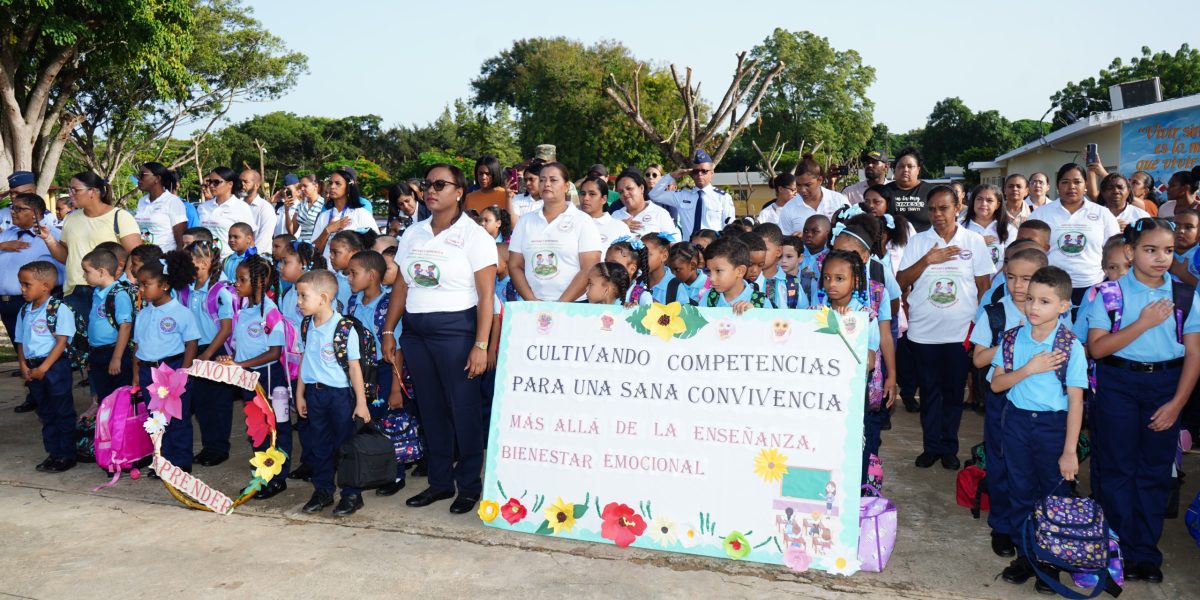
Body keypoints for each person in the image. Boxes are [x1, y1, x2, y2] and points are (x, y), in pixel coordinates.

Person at [1086, 217, 1200, 584]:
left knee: (1153, 472)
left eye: (1168, 250)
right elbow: (1098, 347)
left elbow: (1195, 355)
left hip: (1166, 384)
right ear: (1131, 252)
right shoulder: (1109, 293)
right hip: (1118, 382)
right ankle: (1115, 550)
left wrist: (1177, 404)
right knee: (1118, 469)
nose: (1160, 258)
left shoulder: (1185, 295)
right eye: (1150, 250)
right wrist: (1143, 323)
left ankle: (1145, 553)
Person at [381, 163, 496, 515]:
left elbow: (487, 296)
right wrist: (389, 330)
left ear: (459, 191)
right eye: (427, 184)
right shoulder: (414, 233)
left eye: (440, 184)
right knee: (430, 410)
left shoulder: (475, 236)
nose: (431, 190)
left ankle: (469, 487)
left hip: (457, 330)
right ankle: (440, 483)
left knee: (463, 411)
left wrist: (480, 345)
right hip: (417, 332)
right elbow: (402, 284)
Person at [990, 266, 1085, 592]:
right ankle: (1025, 556)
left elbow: (1076, 401)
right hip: (1016, 422)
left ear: (1063, 306)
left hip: (1053, 428)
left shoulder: (1070, 345)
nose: (1033, 307)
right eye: (1030, 299)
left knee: (1055, 496)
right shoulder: (1012, 338)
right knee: (1020, 492)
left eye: (1044, 301)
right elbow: (997, 385)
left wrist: (1070, 451)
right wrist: (1028, 369)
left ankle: (1051, 562)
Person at [897, 186, 994, 468]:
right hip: (923, 332)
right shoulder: (918, 242)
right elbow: (901, 282)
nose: (937, 214)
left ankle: (949, 447)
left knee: (953, 392)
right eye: (932, 209)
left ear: (958, 208)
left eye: (944, 208)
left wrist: (979, 328)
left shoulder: (973, 241)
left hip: (959, 331)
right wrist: (928, 260)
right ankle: (931, 446)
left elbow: (983, 287)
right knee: (929, 391)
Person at [968, 247, 1049, 558]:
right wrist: (1011, 339)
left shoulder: (1056, 313)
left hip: (1041, 401)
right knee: (1001, 463)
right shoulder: (995, 312)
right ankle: (1002, 527)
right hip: (1003, 399)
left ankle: (1035, 524)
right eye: (1011, 277)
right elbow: (978, 360)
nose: (1018, 286)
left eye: (1027, 279)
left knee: (1036, 465)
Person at [294, 269, 371, 515]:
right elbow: (305, 358)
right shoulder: (306, 324)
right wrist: (300, 393)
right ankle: (323, 490)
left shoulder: (344, 328)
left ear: (324, 298)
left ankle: (351, 494)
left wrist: (361, 403)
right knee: (320, 445)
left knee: (346, 446)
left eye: (303, 296)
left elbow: (354, 367)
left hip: (340, 397)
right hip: (315, 395)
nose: (298, 302)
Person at [221, 255, 290, 498]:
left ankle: (277, 479)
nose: (236, 284)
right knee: (257, 427)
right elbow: (243, 345)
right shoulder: (245, 309)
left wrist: (240, 364)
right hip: (247, 378)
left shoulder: (270, 312)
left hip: (269, 379)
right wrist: (232, 362)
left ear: (259, 283)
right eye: (236, 279)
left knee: (276, 429)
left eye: (242, 280)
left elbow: (274, 352)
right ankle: (261, 476)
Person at [345, 250, 407, 497]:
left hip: (383, 372)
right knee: (365, 421)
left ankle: (396, 473)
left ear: (371, 276)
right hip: (359, 372)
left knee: (389, 423)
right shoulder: (353, 302)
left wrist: (395, 387)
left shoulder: (388, 305)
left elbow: (397, 351)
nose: (348, 278)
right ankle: (372, 467)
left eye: (353, 273)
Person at [132, 259, 200, 474]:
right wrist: (136, 375)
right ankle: (162, 461)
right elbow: (137, 346)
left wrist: (183, 372)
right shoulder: (143, 314)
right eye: (139, 285)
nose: (141, 289)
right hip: (147, 371)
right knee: (156, 419)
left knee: (177, 419)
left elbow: (191, 343)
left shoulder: (181, 313)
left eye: (146, 284)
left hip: (171, 369)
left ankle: (180, 465)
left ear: (164, 285)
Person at [40, 173, 141, 318]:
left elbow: (137, 254)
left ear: (93, 191)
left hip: (107, 290)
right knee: (77, 339)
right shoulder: (71, 218)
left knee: (104, 338)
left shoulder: (120, 216)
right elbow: (66, 256)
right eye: (70, 189)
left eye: (76, 190)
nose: (70, 194)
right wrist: (48, 239)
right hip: (74, 290)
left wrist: (126, 284)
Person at [1029, 163, 1121, 307]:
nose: (1071, 186)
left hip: (1093, 286)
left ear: (1085, 185)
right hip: (1051, 287)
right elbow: (1029, 250)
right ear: (1057, 187)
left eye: (1077, 182)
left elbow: (1115, 250)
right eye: (1065, 182)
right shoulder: (1041, 214)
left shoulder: (1102, 213)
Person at [508, 162, 601, 302]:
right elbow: (515, 265)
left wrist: (560, 304)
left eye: (553, 180)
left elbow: (589, 268)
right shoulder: (525, 221)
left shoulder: (583, 221)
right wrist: (531, 300)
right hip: (534, 306)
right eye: (542, 180)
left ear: (566, 186)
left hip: (573, 305)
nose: (546, 184)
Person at [16, 261, 77, 473]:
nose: (22, 289)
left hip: (54, 367)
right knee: (45, 412)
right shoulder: (24, 311)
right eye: (21, 285)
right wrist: (23, 365)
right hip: (33, 368)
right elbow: (20, 341)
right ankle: (54, 452)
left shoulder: (59, 309)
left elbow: (62, 342)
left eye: (27, 285)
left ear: (45, 286)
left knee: (62, 410)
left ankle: (67, 454)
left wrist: (44, 368)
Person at [276, 240, 327, 483]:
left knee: (317, 417)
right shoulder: (288, 294)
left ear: (304, 264)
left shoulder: (319, 296)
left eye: (286, 262)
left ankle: (322, 462)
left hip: (316, 365)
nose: (280, 266)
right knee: (303, 416)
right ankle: (309, 461)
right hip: (293, 366)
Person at [183, 239, 237, 469]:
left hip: (215, 350)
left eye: (190, 262)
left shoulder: (220, 291)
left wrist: (207, 355)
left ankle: (218, 448)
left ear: (204, 263)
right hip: (194, 348)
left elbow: (226, 328)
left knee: (218, 402)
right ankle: (208, 445)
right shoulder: (187, 290)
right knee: (201, 401)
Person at [0, 193, 62, 349]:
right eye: (12, 208)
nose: (13, 212)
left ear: (36, 212)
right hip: (6, 301)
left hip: (33, 301)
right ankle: (26, 369)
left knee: (39, 344)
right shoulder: (7, 234)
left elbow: (64, 268)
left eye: (19, 209)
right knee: (19, 342)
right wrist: (3, 246)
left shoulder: (53, 235)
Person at [81, 248, 134, 406]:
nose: (84, 276)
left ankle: (120, 430)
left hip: (113, 352)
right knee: (105, 397)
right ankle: (108, 428)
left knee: (119, 397)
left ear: (102, 271)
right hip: (97, 353)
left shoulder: (119, 294)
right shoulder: (97, 293)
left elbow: (125, 326)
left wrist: (116, 358)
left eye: (86, 271)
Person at [649, 150, 736, 240]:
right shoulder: (682, 196)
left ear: (712, 173)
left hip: (712, 249)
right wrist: (671, 176)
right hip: (688, 250)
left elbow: (729, 228)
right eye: (696, 171)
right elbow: (654, 195)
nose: (699, 174)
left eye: (704, 171)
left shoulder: (723, 197)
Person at [312, 168, 378, 256]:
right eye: (331, 183)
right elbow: (313, 251)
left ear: (348, 187)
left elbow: (376, 245)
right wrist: (327, 231)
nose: (332, 187)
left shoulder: (361, 213)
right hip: (326, 268)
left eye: (337, 183)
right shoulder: (324, 216)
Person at [778, 156, 850, 235]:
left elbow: (853, 230)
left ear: (820, 180)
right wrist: (797, 241)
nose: (802, 190)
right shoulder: (789, 208)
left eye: (808, 185)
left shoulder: (839, 200)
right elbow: (785, 240)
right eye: (798, 185)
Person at [198, 167, 255, 258]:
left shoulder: (242, 208)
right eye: (209, 182)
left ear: (230, 184)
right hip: (206, 261)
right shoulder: (203, 207)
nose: (211, 186)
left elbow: (250, 239)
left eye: (216, 182)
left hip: (230, 262)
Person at [699, 237, 767, 311]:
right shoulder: (708, 298)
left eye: (718, 271)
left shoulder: (761, 302)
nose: (711, 278)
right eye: (709, 271)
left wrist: (756, 313)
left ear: (740, 271)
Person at [611, 169, 681, 240]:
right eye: (621, 192)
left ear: (641, 188)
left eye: (629, 188)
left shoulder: (660, 214)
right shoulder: (615, 216)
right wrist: (619, 227)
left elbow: (672, 244)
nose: (625, 194)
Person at [134, 162, 187, 250]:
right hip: (144, 258)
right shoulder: (142, 201)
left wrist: (175, 261)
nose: (139, 179)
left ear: (157, 178)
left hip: (165, 259)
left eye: (142, 175)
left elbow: (181, 241)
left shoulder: (173, 202)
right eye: (138, 175)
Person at [882, 147, 937, 232]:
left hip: (925, 242)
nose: (905, 170)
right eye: (901, 166)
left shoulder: (931, 191)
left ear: (918, 169)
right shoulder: (884, 191)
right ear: (894, 169)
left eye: (910, 166)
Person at [963, 184, 1016, 272]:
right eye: (979, 199)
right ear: (973, 202)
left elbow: (1010, 261)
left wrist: (995, 283)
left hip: (998, 282)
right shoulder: (960, 227)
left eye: (989, 200)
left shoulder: (1009, 230)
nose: (983, 204)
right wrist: (978, 242)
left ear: (997, 205)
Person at [752, 222, 804, 309]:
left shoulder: (792, 283)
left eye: (764, 249)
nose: (759, 253)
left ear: (779, 251)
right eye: (754, 249)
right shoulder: (747, 281)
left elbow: (804, 313)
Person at [579, 175, 630, 254]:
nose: (585, 198)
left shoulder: (619, 228)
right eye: (582, 193)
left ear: (604, 199)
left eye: (592, 194)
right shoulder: (570, 225)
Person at [237, 170, 278, 253]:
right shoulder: (236, 205)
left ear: (256, 185)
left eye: (245, 182)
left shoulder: (265, 208)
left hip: (259, 257)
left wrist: (250, 255)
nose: (241, 185)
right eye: (240, 181)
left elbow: (264, 238)